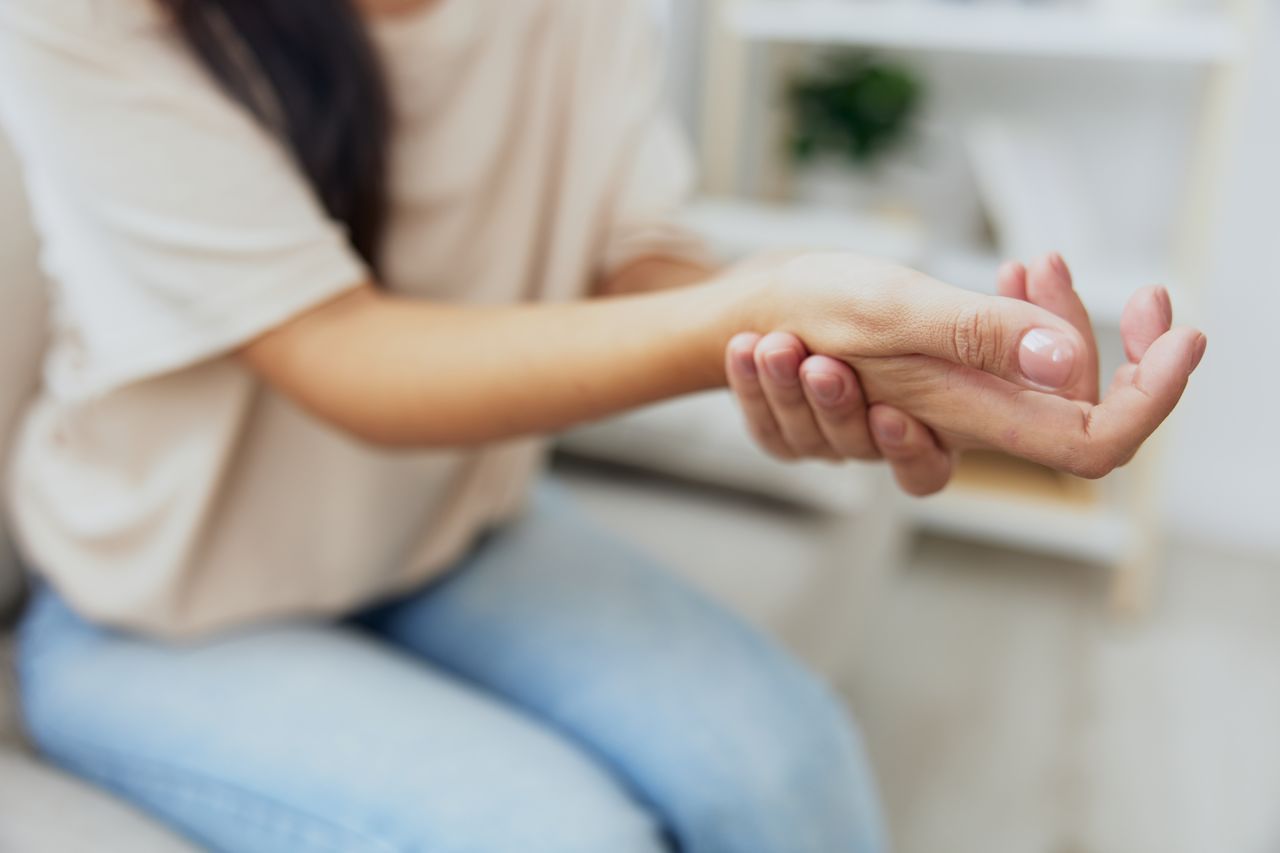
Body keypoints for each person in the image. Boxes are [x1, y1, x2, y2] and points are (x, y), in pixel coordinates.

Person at [0, 1, 1204, 851]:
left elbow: (637, 253)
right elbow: (341, 354)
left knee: (783, 758)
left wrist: (797, 350)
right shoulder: (95, 20)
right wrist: (755, 302)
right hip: (155, 611)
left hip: (448, 530)